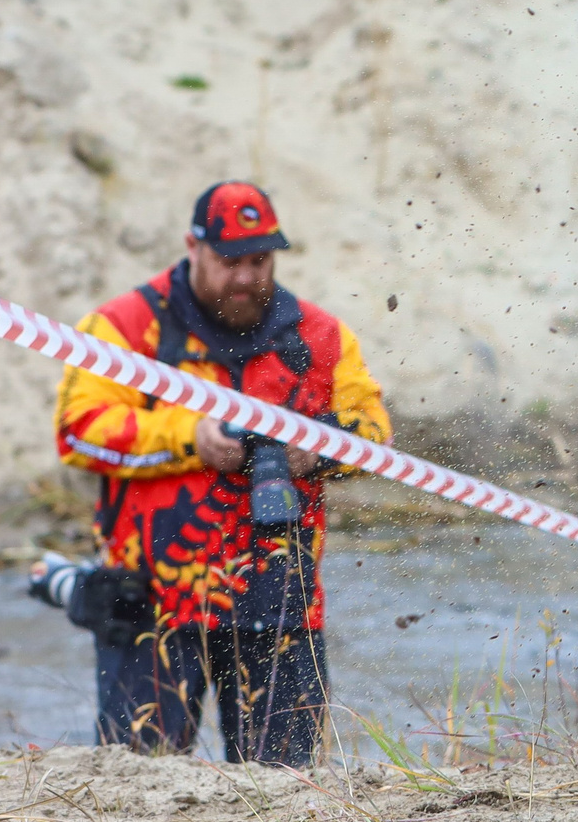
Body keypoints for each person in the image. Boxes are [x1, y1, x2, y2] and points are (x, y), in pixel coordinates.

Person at [50, 182, 391, 767]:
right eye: (230, 261)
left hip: (281, 598)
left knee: (290, 790)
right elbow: (77, 429)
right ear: (193, 246)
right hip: (151, 599)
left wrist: (320, 448)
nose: (245, 277)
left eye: (259, 261)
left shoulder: (321, 336)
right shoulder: (125, 328)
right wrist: (190, 439)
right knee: (138, 783)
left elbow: (375, 430)